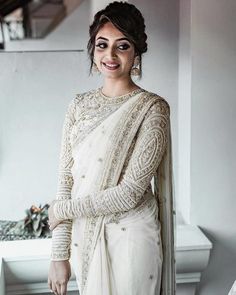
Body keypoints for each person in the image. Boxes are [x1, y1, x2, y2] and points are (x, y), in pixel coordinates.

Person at [47, 2, 176, 295]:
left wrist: (63, 210)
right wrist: (59, 254)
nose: (110, 55)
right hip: (84, 238)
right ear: (93, 49)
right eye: (102, 45)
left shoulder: (152, 109)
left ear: (136, 53)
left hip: (131, 239)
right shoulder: (78, 105)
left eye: (123, 46)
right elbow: (66, 180)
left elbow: (131, 192)